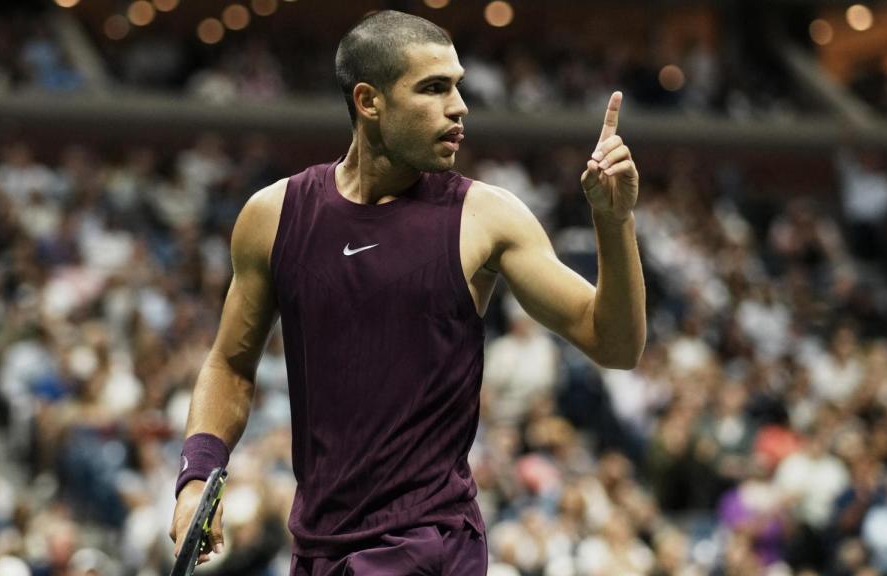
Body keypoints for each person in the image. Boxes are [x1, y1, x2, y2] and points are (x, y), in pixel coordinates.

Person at [170, 10, 645, 575]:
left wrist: (613, 224)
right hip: (318, 548)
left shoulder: (486, 217)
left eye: (458, 86)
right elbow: (230, 362)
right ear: (369, 101)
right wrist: (198, 472)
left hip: (430, 545)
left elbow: (615, 344)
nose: (459, 106)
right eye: (434, 88)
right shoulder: (273, 216)